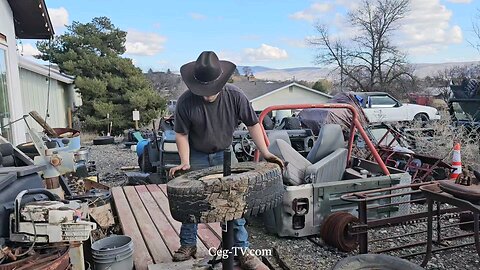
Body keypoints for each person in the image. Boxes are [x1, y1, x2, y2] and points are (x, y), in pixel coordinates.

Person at [169, 51, 283, 270]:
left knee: (233, 201)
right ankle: (188, 244)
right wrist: (185, 161)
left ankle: (241, 249)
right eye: (202, 90)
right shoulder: (185, 102)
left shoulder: (236, 96)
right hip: (198, 154)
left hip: (225, 154)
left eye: (211, 90)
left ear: (221, 82)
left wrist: (266, 152)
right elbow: (181, 134)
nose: (207, 95)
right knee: (190, 199)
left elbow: (253, 124)